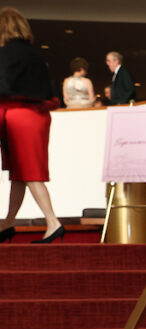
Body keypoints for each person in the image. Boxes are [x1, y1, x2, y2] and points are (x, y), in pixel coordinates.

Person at [0, 7, 64, 244]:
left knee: (28, 172)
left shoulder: (5, 55)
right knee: (20, 174)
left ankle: (53, 222)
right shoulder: (35, 56)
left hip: (18, 117)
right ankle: (8, 222)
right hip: (37, 116)